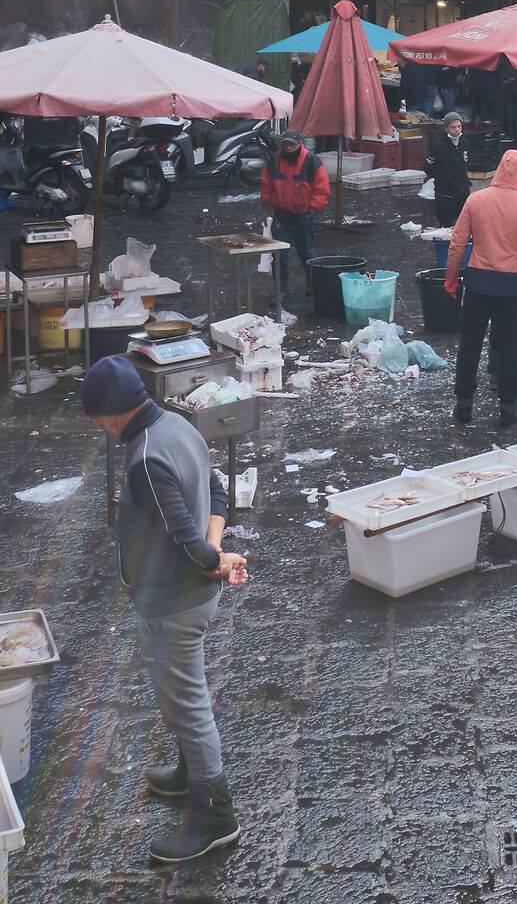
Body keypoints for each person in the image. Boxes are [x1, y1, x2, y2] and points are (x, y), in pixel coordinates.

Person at [79, 354, 248, 864]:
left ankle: (216, 818)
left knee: (187, 706)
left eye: (97, 418)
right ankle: (183, 772)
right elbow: (218, 493)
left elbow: (183, 541)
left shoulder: (147, 456)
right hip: (187, 594)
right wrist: (216, 550)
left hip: (174, 601)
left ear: (111, 413)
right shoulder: (176, 423)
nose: (98, 428)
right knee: (175, 693)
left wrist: (213, 558)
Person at [443, 148, 517, 428]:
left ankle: (463, 403)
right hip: (511, 287)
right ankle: (508, 406)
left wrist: (450, 277)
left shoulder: (475, 199)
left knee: (469, 345)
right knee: (510, 347)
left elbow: (458, 243)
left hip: (477, 283)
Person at [258, 132, 329, 297]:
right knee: (280, 256)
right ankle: (280, 292)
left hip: (303, 218)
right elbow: (266, 187)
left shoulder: (311, 161)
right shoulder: (274, 160)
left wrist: (311, 211)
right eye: (285, 144)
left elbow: (322, 189)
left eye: (291, 144)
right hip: (281, 219)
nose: (288, 148)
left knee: (307, 254)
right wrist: (263, 212)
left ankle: (312, 286)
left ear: (299, 144)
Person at [427, 113, 472, 230]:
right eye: (453, 127)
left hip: (462, 190)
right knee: (446, 226)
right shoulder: (438, 145)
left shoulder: (465, 143)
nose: (457, 130)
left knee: (465, 226)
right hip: (445, 192)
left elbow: (466, 164)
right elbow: (428, 168)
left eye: (459, 126)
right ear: (446, 128)